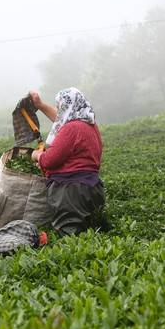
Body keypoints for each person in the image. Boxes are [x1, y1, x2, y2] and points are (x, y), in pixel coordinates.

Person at [28, 87, 108, 236]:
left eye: (60, 107)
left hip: (71, 192)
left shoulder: (71, 128)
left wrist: (37, 155)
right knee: (91, 233)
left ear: (67, 107)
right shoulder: (90, 125)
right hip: (92, 188)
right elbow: (61, 119)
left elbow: (49, 161)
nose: (59, 112)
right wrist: (40, 105)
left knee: (71, 236)